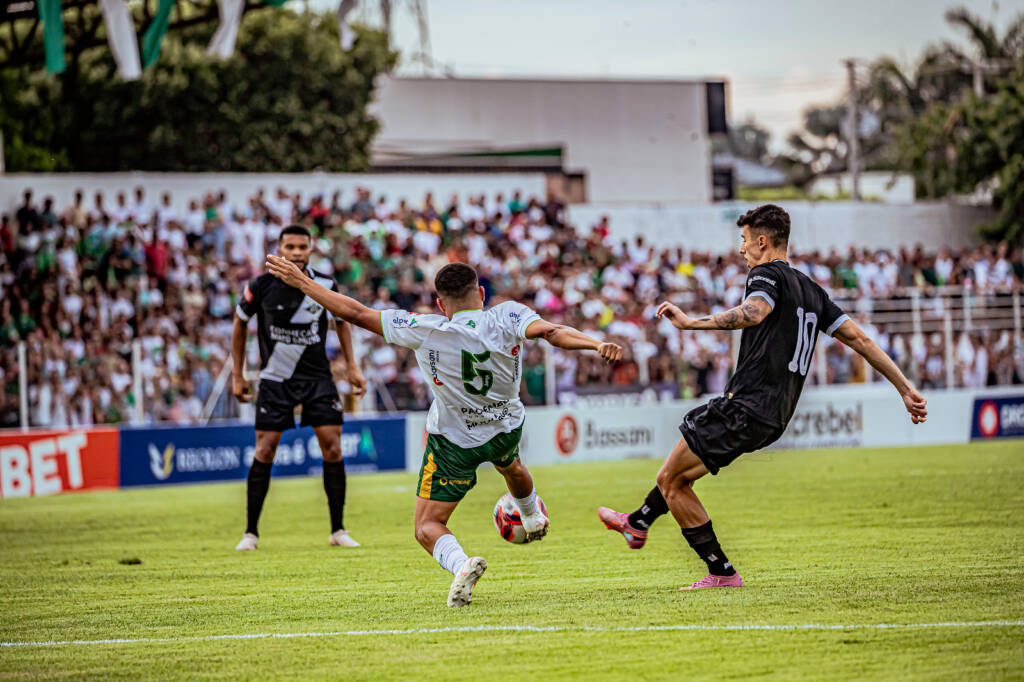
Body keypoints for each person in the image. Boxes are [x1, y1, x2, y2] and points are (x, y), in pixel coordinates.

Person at [597, 204, 928, 590]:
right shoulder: (813, 290)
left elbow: (754, 313)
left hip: (748, 406)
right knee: (679, 472)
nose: (740, 249)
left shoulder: (765, 275)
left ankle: (720, 572)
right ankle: (637, 522)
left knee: (671, 480)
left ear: (761, 241)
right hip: (775, 416)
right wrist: (905, 388)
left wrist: (691, 322)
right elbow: (860, 339)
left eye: (743, 240)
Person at [264, 256, 623, 607]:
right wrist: (595, 344)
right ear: (481, 293)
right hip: (505, 428)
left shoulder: (424, 328)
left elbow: (354, 313)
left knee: (427, 526)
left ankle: (461, 564)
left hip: (455, 443)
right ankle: (532, 515)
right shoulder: (508, 314)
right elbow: (552, 332)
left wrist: (303, 283)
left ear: (440, 303)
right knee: (510, 465)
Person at [232, 225, 366, 551]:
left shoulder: (325, 284)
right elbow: (239, 323)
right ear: (279, 249)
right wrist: (238, 375)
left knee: (332, 448)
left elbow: (342, 321)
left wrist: (351, 366)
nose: (295, 252)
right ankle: (250, 533)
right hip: (276, 379)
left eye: (301, 247)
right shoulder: (260, 286)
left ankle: (338, 530)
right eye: (289, 246)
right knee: (264, 450)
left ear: (311, 249)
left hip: (319, 379)